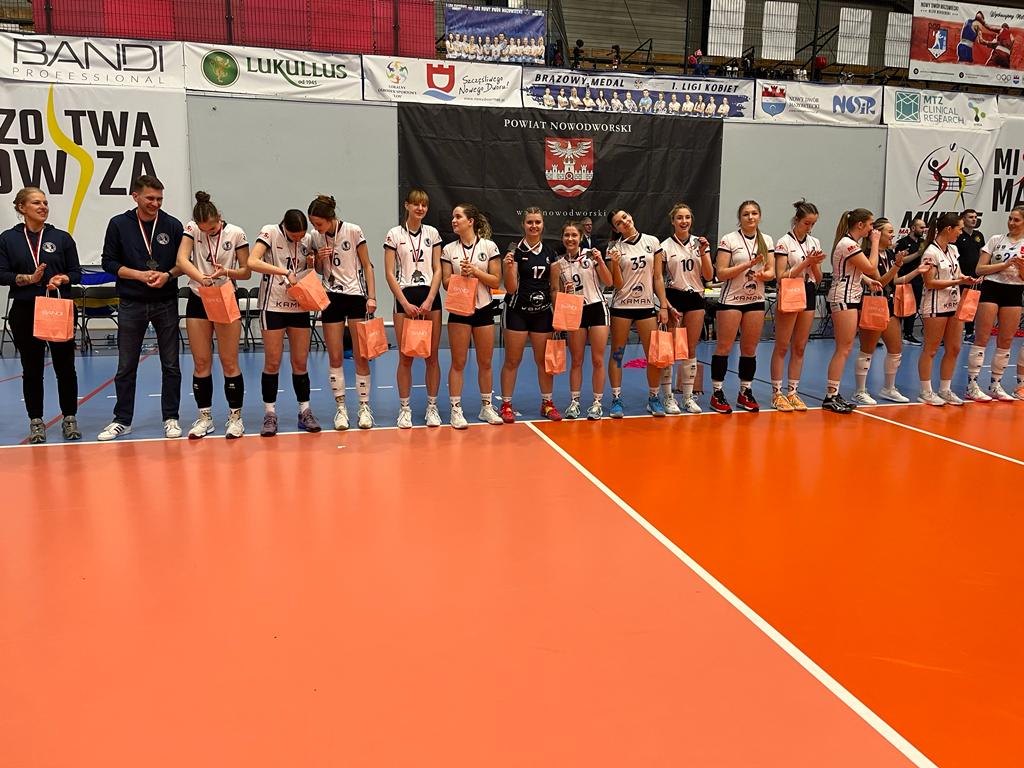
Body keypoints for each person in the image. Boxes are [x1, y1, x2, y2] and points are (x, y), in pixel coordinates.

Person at [97, 175, 184, 441]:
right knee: (126, 365)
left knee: (171, 364)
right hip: (131, 302)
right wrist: (138, 275)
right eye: (150, 198)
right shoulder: (119, 224)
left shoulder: (172, 225)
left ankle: (171, 417)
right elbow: (108, 262)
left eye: (159, 199)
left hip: (165, 301)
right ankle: (122, 420)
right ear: (135, 196)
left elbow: (183, 262)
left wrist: (167, 275)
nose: (155, 203)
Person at [0, 187, 81, 443]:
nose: (43, 207)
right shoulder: (8, 239)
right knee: (32, 368)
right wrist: (29, 279)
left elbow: (76, 272)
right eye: (36, 203)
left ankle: (69, 418)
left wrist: (63, 278)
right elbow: (1, 274)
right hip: (26, 310)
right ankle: (36, 420)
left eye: (45, 202)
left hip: (58, 307)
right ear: (21, 208)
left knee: (65, 367)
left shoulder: (61, 238)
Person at [175, 191, 250, 439]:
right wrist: (201, 278)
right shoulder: (192, 229)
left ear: (219, 217)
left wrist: (225, 272)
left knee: (229, 361)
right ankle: (205, 417)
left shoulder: (236, 233)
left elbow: (246, 271)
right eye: (204, 230)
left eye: (213, 228)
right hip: (199, 297)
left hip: (225, 297)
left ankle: (235, 417)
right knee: (201, 362)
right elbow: (181, 260)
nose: (209, 233)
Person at [307, 194, 377, 431]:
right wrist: (318, 259)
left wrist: (372, 296)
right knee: (335, 356)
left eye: (319, 223)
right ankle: (341, 408)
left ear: (330, 218)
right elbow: (318, 270)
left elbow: (367, 265)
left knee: (361, 355)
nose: (316, 227)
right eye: (313, 224)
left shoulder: (353, 231)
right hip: (330, 297)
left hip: (355, 295)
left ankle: (364, 407)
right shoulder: (316, 237)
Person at [248, 209, 319, 436]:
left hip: (299, 306)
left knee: (300, 362)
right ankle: (269, 413)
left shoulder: (308, 239)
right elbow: (252, 261)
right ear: (284, 227)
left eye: (301, 236)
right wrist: (284, 271)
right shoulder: (270, 232)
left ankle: (304, 411)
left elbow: (314, 269)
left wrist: (314, 262)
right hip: (273, 306)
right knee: (272, 362)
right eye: (294, 236)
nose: (299, 239)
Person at [384, 189, 443, 428]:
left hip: (430, 297)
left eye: (424, 205)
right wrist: (404, 303)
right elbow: (389, 273)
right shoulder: (394, 234)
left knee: (432, 356)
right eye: (416, 204)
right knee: (405, 357)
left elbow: (438, 269)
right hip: (405, 297)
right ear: (407, 205)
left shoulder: (432, 233)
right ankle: (405, 408)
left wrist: (430, 299)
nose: (420, 208)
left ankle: (432, 407)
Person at [852, 218, 927, 405]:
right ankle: (860, 391)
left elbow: (895, 281)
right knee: (867, 350)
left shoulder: (890, 254)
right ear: (877, 234)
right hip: (871, 304)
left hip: (889, 304)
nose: (893, 235)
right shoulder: (867, 254)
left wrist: (917, 271)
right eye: (890, 232)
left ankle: (889, 388)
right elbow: (880, 282)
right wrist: (897, 266)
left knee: (895, 348)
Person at [441, 203, 502, 429]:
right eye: (453, 217)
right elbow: (446, 282)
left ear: (470, 221)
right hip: (459, 309)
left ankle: (486, 407)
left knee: (485, 362)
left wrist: (475, 272)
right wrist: (461, 276)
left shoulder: (489, 246)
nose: (454, 220)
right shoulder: (449, 250)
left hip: (483, 308)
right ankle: (456, 410)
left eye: (458, 217)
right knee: (458, 362)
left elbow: (496, 281)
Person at [711, 200, 775, 413]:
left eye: (754, 213)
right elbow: (721, 273)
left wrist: (764, 274)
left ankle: (745, 391)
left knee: (749, 349)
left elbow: (772, 271)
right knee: (724, 347)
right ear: (740, 218)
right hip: (731, 300)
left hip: (755, 300)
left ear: (760, 216)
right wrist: (747, 265)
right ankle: (717, 392)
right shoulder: (729, 239)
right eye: (746, 214)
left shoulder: (766, 240)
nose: (750, 217)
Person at [499, 208, 561, 422]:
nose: (534, 226)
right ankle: (506, 404)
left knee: (543, 361)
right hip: (517, 312)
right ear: (523, 225)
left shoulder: (551, 253)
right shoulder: (515, 251)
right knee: (512, 360)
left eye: (537, 222)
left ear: (543, 225)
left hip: (542, 313)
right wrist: (508, 268)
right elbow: (510, 288)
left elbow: (554, 288)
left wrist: (559, 315)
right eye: (530, 222)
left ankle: (547, 403)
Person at [605, 208, 667, 417]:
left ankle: (654, 398)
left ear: (630, 216)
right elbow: (617, 284)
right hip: (622, 307)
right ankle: (616, 398)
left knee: (653, 355)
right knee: (617, 354)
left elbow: (658, 277)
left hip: (646, 307)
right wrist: (614, 264)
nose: (624, 222)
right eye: (618, 222)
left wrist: (664, 305)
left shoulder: (652, 241)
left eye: (625, 217)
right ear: (616, 229)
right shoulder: (614, 248)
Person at [823, 208, 883, 413]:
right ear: (860, 225)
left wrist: (866, 280)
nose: (872, 229)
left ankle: (834, 392)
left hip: (850, 297)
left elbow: (854, 269)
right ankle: (830, 396)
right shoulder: (848, 244)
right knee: (843, 348)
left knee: (845, 348)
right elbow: (871, 267)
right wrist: (875, 243)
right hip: (843, 298)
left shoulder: (850, 243)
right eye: (870, 224)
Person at [552, 221, 611, 419]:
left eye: (574, 235)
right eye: (567, 235)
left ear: (580, 237)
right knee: (576, 360)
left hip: (596, 308)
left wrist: (600, 261)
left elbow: (609, 281)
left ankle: (597, 403)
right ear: (562, 238)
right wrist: (565, 292)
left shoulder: (591, 256)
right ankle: (574, 402)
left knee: (597, 359)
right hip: (574, 311)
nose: (570, 239)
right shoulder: (558, 264)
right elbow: (556, 292)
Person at [770, 200, 826, 412]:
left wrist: (815, 265)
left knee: (800, 346)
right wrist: (805, 263)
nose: (809, 228)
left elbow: (818, 278)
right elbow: (780, 275)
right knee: (782, 345)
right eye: (806, 223)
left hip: (808, 290)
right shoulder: (784, 242)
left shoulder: (814, 242)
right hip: (790, 290)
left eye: (813, 224)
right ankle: (777, 393)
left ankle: (793, 391)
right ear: (796, 220)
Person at [965, 205, 1024, 402]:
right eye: (1010, 218)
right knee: (982, 337)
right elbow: (979, 269)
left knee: (1006, 340)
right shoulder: (996, 240)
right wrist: (1004, 265)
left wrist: (1021, 269)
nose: (1011, 223)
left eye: (1016, 220)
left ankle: (995, 384)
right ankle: (972, 385)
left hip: (1014, 291)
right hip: (992, 288)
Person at [917, 213, 976, 405]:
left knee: (954, 348)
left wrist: (965, 279)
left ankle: (945, 389)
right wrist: (957, 282)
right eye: (959, 229)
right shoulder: (930, 252)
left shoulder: (953, 249)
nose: (961, 232)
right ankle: (926, 391)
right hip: (935, 305)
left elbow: (956, 273)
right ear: (948, 229)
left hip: (954, 303)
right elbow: (930, 282)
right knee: (931, 349)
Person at [661, 203, 712, 414]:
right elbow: (658, 279)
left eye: (687, 217)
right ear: (673, 221)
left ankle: (688, 397)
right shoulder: (665, 246)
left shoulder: (700, 243)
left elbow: (709, 276)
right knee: (671, 350)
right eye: (680, 218)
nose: (684, 221)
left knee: (691, 348)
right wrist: (665, 305)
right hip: (674, 296)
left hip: (696, 297)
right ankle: (668, 397)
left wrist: (704, 252)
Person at [955, 209, 985, 340]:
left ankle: (968, 332)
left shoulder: (979, 235)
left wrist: (982, 271)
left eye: (975, 217)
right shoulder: (958, 235)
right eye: (970, 217)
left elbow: (982, 254)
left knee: (971, 305)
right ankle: (952, 332)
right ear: (963, 219)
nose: (974, 219)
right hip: (959, 276)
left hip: (975, 276)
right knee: (957, 304)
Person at [896, 217, 926, 344]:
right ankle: (897, 333)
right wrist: (918, 254)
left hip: (918, 279)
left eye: (924, 227)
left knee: (914, 306)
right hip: (904, 278)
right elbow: (901, 261)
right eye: (921, 227)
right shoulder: (902, 242)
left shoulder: (923, 242)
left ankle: (909, 333)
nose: (923, 230)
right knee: (902, 307)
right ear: (913, 228)